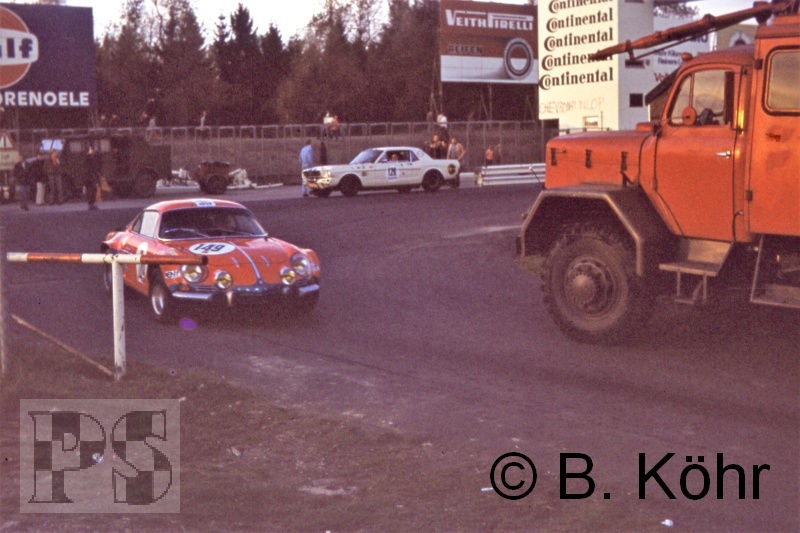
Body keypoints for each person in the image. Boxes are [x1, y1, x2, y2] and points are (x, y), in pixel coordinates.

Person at [85, 144, 102, 210]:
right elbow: (90, 166)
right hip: (90, 177)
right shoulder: (88, 157)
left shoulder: (92, 157)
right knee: (91, 190)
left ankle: (92, 204)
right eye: (91, 149)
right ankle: (91, 204)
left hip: (92, 176)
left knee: (93, 190)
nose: (92, 151)